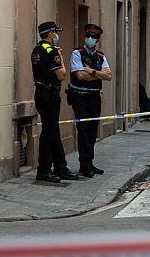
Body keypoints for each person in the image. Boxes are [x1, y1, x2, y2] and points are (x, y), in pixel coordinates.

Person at [31, 21, 78, 183]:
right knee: (49, 133)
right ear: (50, 34)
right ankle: (44, 170)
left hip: (41, 94)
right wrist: (62, 59)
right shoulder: (51, 51)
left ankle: (60, 166)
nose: (57, 35)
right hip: (50, 95)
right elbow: (61, 75)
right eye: (55, 32)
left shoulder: (37, 49)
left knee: (52, 131)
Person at [68, 24, 112, 178]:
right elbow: (80, 76)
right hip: (79, 96)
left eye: (94, 37)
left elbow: (109, 76)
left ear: (98, 40)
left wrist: (91, 71)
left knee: (93, 130)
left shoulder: (101, 56)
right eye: (89, 35)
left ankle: (90, 162)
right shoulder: (77, 53)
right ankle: (84, 164)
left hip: (94, 96)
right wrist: (99, 74)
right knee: (84, 129)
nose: (90, 39)